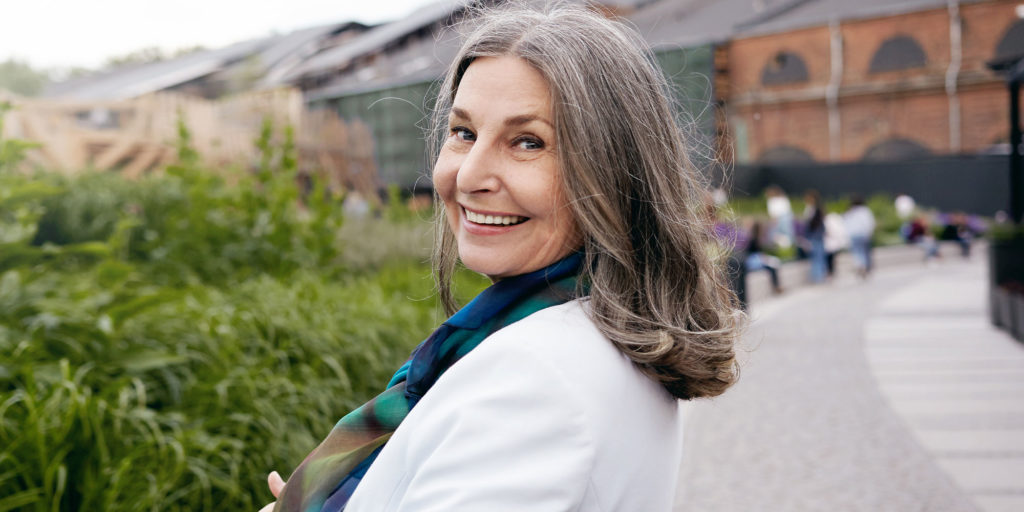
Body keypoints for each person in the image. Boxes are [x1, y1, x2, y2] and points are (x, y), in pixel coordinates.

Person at [261, 5, 742, 511]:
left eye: (527, 142)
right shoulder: (607, 332)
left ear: (613, 172)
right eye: (464, 133)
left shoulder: (533, 380)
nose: (469, 176)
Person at [844, 195, 876, 278]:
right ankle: (865, 266)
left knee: (856, 252)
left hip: (853, 235)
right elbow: (870, 222)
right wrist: (869, 233)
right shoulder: (865, 211)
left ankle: (859, 265)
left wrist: (847, 236)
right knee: (865, 252)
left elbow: (846, 224)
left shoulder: (849, 212)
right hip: (863, 234)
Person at [801, 190, 827, 283]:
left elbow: (808, 224)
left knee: (817, 257)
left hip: (814, 236)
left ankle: (818, 276)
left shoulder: (812, 209)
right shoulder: (817, 208)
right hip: (817, 235)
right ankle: (818, 276)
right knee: (818, 257)